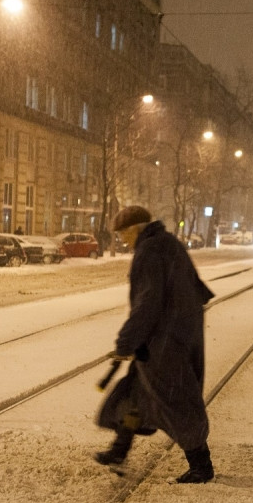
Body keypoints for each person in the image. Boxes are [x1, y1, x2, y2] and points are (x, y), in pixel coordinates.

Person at [95, 205, 216, 483]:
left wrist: (126, 341)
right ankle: (119, 449)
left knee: (177, 400)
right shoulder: (167, 243)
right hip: (175, 334)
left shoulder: (149, 251)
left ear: (136, 229)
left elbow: (147, 303)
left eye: (124, 233)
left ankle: (201, 464)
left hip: (163, 340)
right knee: (136, 394)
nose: (123, 239)